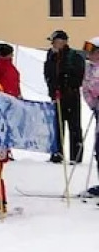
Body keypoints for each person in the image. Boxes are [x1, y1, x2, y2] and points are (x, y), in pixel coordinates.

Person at [43, 30, 85, 164]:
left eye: (56, 42)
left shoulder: (74, 56)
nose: (54, 45)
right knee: (57, 126)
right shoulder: (51, 56)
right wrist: (53, 91)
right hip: (56, 97)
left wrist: (66, 84)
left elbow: (79, 76)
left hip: (71, 96)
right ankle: (57, 153)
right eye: (53, 42)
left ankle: (76, 156)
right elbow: (48, 75)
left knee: (74, 126)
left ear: (64, 42)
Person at [83, 39, 99, 194]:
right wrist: (93, 104)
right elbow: (86, 88)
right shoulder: (89, 68)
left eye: (92, 51)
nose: (89, 55)